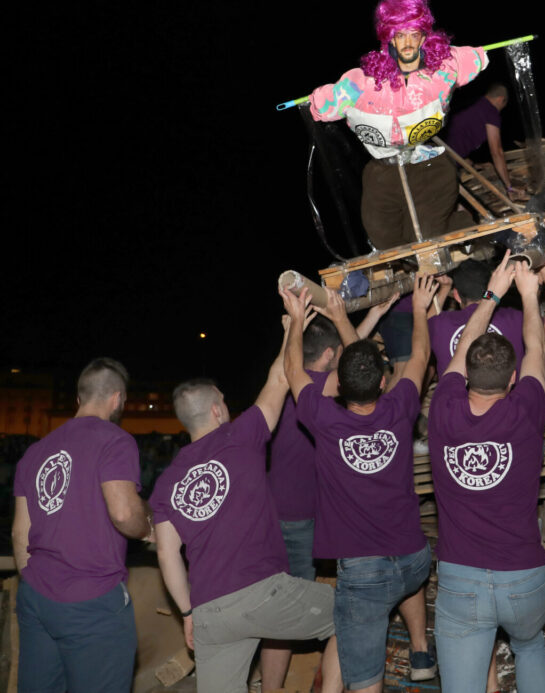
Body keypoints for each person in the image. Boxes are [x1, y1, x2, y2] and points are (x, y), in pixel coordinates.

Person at [150, 317, 342, 693]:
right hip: (263, 592)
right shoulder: (241, 437)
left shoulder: (166, 483)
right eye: (224, 402)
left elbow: (167, 556)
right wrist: (292, 327)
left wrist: (188, 612)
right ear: (218, 410)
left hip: (210, 612)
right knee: (357, 611)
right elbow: (279, 379)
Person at [280, 275, 440, 693]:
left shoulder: (323, 416)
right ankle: (421, 652)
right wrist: (419, 307)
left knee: (366, 683)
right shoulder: (400, 405)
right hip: (413, 559)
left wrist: (297, 320)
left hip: (365, 574)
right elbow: (421, 353)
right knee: (390, 595)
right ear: (383, 381)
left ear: (337, 386)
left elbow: (293, 370)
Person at [428, 251, 545, 693]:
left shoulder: (442, 409)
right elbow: (537, 348)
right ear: (514, 378)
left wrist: (492, 295)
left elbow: (460, 351)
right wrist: (528, 295)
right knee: (530, 647)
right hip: (525, 578)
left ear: (463, 378)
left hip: (461, 580)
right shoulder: (527, 408)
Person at [262, 299, 396, 689]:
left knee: (278, 611)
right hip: (303, 519)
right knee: (334, 614)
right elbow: (361, 366)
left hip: (272, 514)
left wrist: (367, 316)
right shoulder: (325, 389)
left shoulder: (284, 382)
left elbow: (345, 353)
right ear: (327, 357)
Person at [12, 357, 152, 692]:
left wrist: (39, 587)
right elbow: (122, 513)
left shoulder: (35, 452)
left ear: (79, 398)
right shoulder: (115, 440)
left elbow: (20, 533)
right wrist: (147, 529)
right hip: (91, 601)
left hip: (35, 597)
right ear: (117, 399)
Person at [309, 0, 488, 250]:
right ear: (388, 38)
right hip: (384, 169)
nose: (407, 43)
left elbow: (476, 58)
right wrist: (314, 102)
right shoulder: (362, 83)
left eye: (414, 35)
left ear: (424, 37)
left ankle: (461, 221)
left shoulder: (444, 69)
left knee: (428, 237)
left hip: (428, 166)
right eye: (399, 35)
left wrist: (495, 52)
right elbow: (323, 105)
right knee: (385, 240)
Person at [428, 251, 545, 376]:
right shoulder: (514, 319)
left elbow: (423, 329)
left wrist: (444, 289)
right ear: (493, 285)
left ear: (456, 295)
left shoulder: (440, 324)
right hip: (508, 407)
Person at [444, 83, 516, 193]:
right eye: (503, 107)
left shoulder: (473, 103)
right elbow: (496, 151)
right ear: (501, 100)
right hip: (446, 167)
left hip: (442, 155)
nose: (500, 111)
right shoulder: (491, 111)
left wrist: (474, 164)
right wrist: (509, 186)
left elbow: (457, 139)